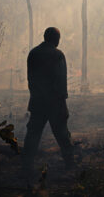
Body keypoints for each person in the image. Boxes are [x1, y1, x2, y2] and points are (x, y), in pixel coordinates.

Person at [22, 27, 74, 172]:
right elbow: (61, 83)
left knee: (32, 136)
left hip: (37, 102)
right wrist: (63, 105)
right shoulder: (57, 55)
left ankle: (26, 167)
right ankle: (71, 165)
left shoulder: (33, 54)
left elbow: (30, 80)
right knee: (63, 135)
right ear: (56, 39)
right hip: (55, 104)